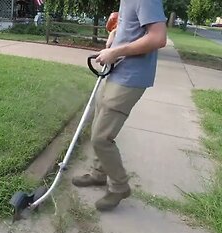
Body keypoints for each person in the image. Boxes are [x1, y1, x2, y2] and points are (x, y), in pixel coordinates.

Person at [72, 0, 168, 211]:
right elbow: (132, 24)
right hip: (116, 71)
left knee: (101, 137)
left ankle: (119, 187)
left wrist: (115, 52)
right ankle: (99, 174)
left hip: (129, 77)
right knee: (97, 123)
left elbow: (158, 37)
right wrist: (115, 31)